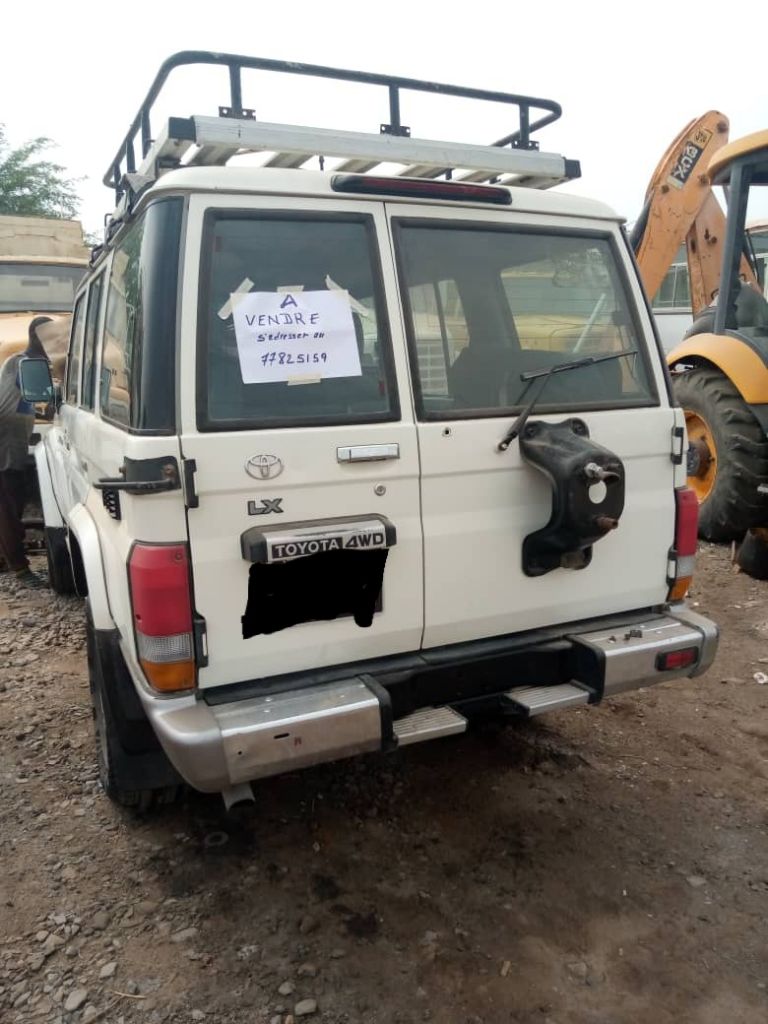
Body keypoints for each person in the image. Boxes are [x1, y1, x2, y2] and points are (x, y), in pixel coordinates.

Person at [0, 317, 52, 588]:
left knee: (13, 502)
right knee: (8, 508)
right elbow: (39, 394)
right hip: (4, 446)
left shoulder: (35, 365)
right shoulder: (22, 362)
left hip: (14, 444)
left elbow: (30, 402)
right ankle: (20, 569)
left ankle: (8, 560)